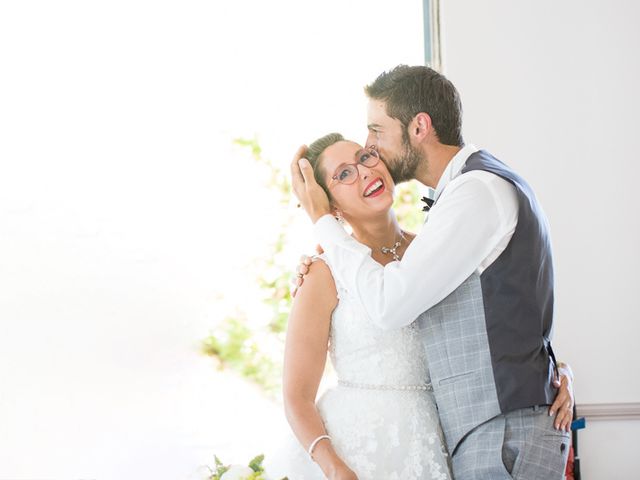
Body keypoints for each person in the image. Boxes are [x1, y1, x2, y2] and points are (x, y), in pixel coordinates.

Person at [291, 65, 574, 480]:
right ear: (331, 199)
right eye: (344, 173)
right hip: (415, 442)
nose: (371, 155)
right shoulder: (332, 267)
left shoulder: (472, 194)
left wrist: (553, 371)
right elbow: (495, 311)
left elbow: (393, 305)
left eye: (374, 136)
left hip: (486, 435)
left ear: (419, 126)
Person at [269, 133, 452, 479]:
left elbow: (490, 325)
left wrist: (557, 370)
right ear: (330, 207)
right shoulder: (322, 273)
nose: (365, 172)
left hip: (436, 442)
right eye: (343, 174)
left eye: (365, 157)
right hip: (353, 453)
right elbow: (296, 396)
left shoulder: (435, 250)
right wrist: (334, 468)